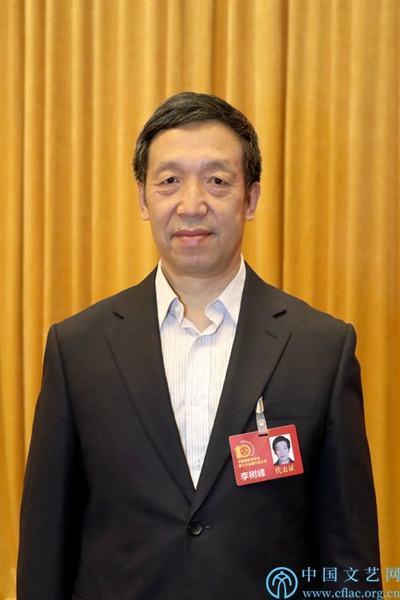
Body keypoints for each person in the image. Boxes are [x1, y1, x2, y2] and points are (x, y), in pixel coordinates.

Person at [17, 92, 381, 600]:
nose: (192, 205)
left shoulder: (321, 348)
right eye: (169, 181)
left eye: (217, 181)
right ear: (143, 198)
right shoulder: (78, 348)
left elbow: (349, 554)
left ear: (250, 199)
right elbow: (45, 547)